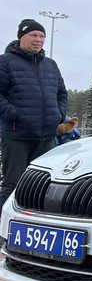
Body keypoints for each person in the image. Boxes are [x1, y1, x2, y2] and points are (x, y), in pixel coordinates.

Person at [0, 19, 67, 208]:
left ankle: (31, 222)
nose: (38, 40)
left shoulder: (51, 65)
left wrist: (59, 114)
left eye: (42, 36)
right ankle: (2, 229)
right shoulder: (5, 62)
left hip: (46, 137)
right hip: (17, 135)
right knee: (13, 185)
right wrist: (14, 114)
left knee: (40, 184)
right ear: (21, 37)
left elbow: (62, 93)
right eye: (33, 35)